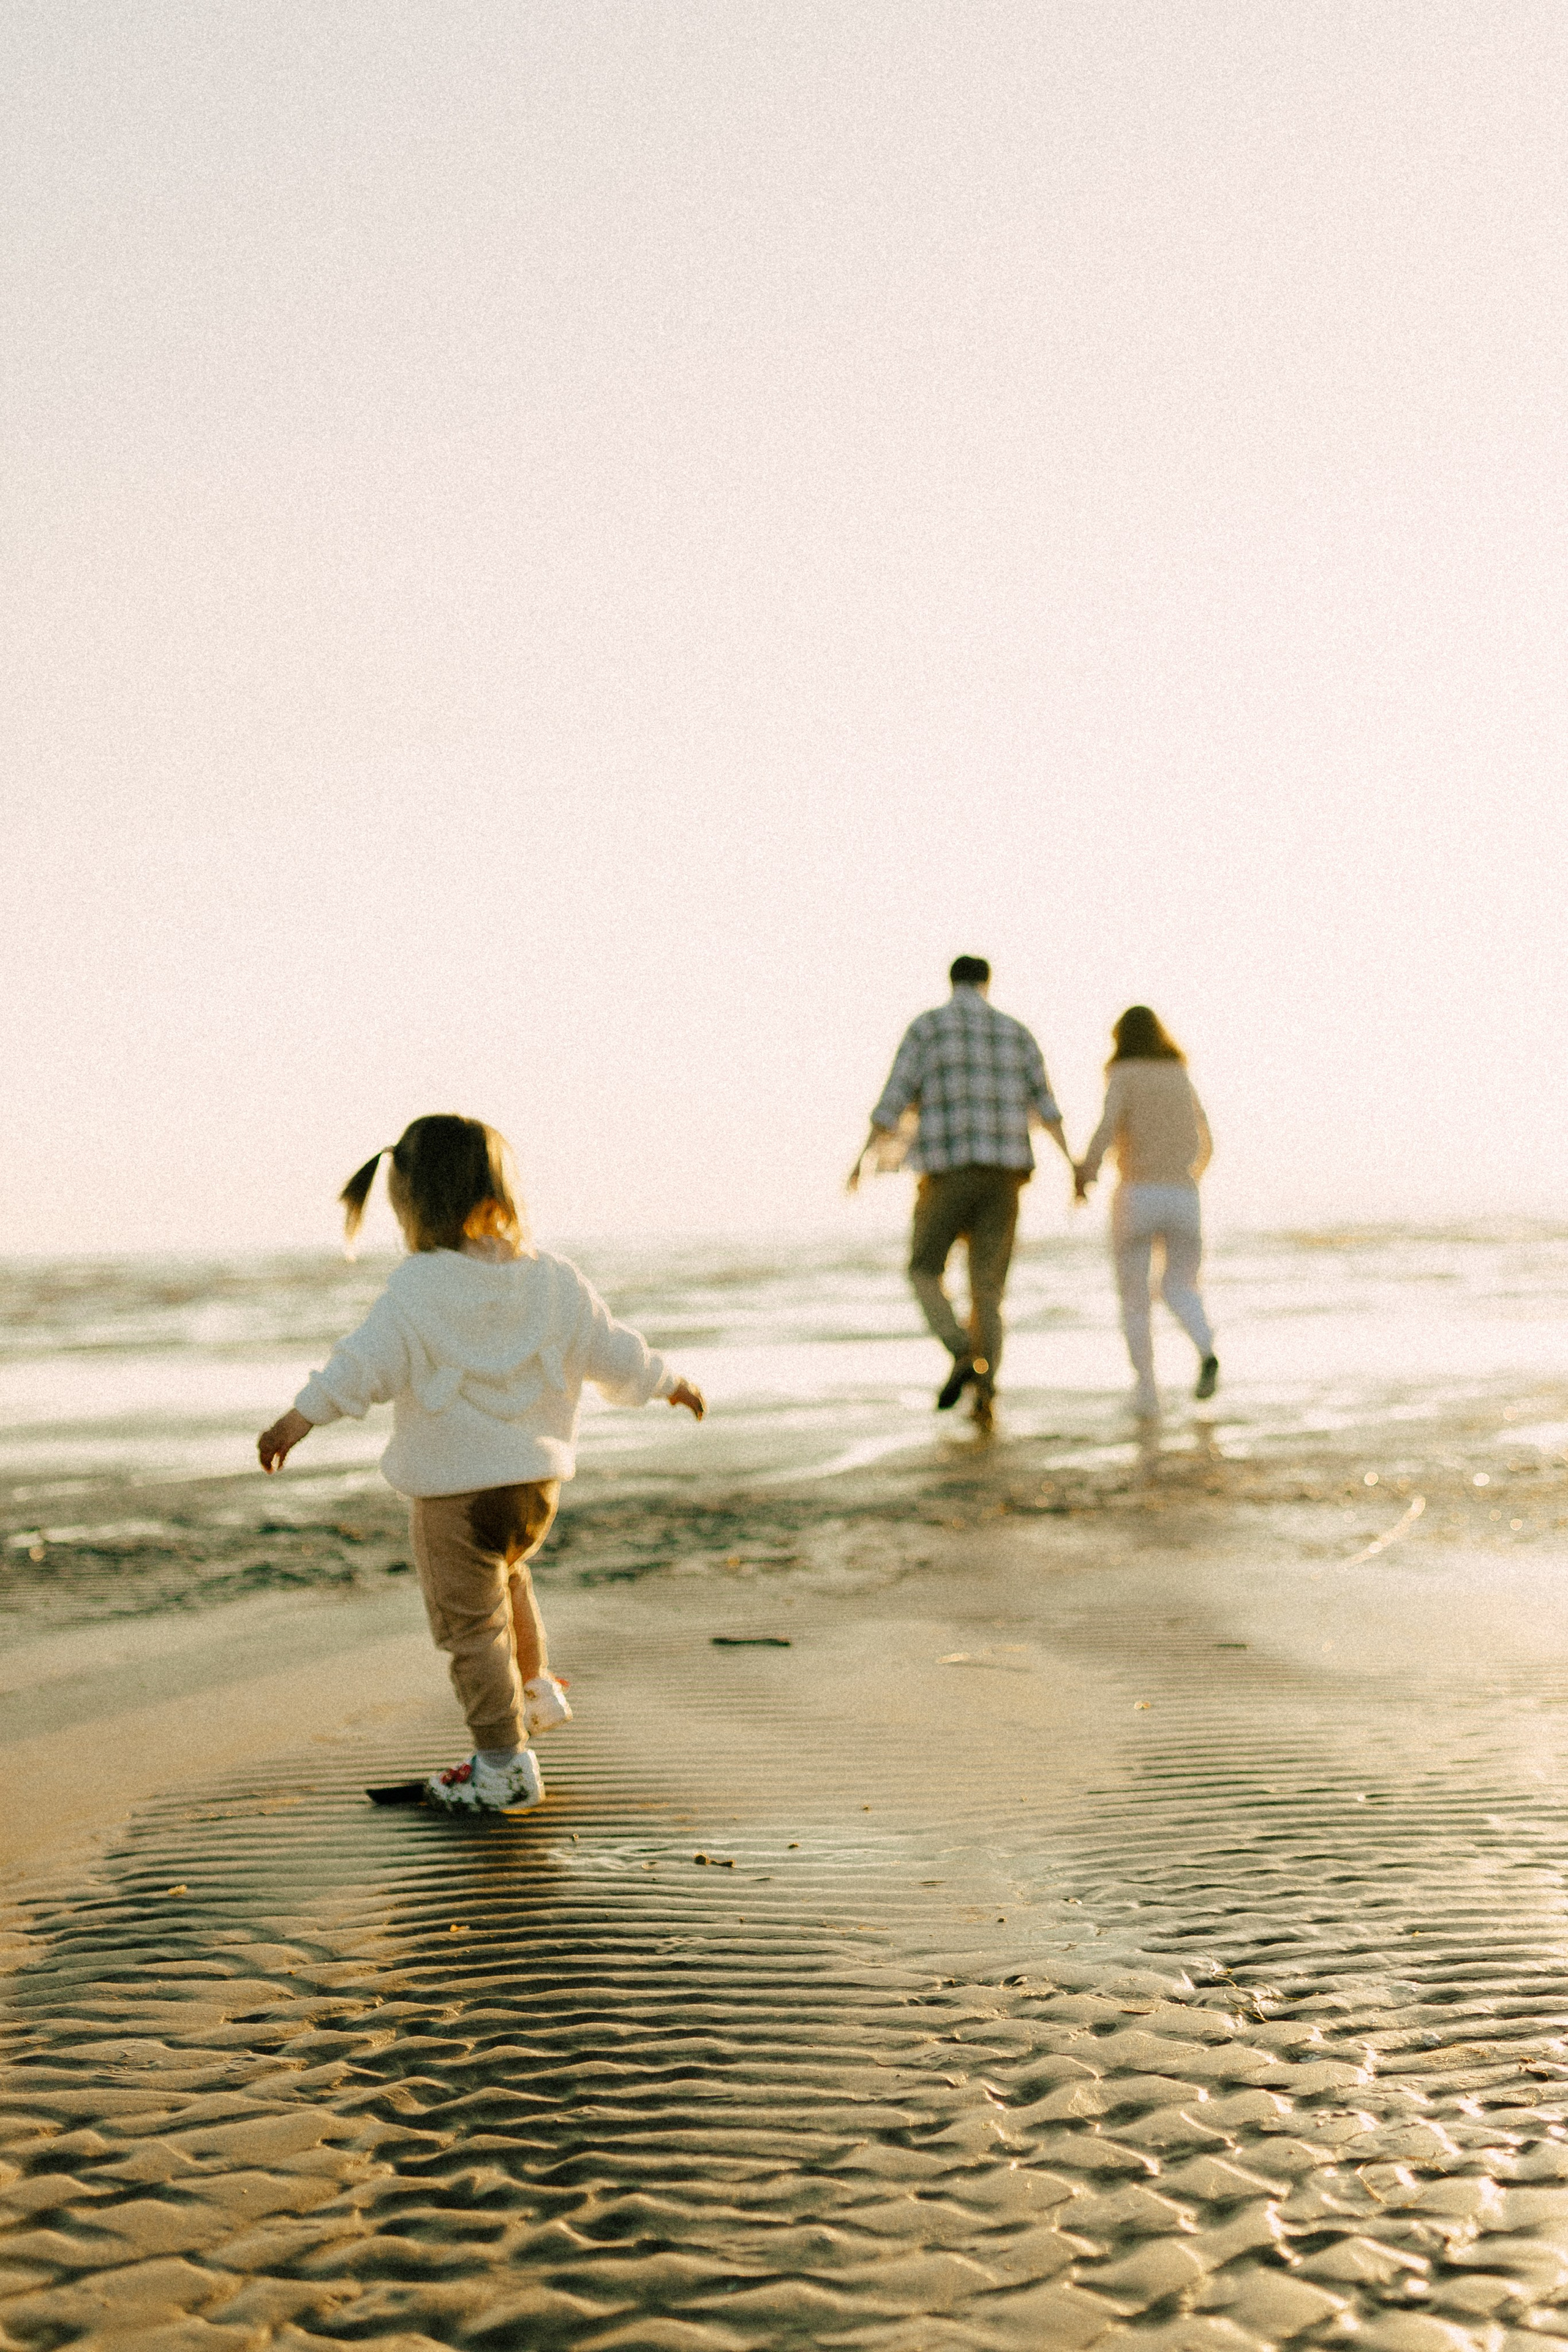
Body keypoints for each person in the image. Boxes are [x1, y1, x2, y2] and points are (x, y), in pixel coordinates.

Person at [257, 1115, 704, 1815]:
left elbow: (364, 1363)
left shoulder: (417, 1286)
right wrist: (669, 1382)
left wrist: (299, 1417)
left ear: (411, 1204)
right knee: (509, 1577)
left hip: (453, 1498)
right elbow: (613, 1348)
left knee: (470, 1632)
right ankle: (535, 1689)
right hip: (534, 1491)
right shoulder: (555, 1278)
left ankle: (502, 1764)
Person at [848, 956, 1074, 1425]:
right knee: (988, 1290)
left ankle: (961, 1351)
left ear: (951, 981)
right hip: (1006, 1176)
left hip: (947, 1174)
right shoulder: (1016, 1033)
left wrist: (861, 1161)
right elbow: (1048, 1108)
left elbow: (893, 1099)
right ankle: (987, 1391)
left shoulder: (928, 1029)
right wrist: (1072, 1165)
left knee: (924, 1269)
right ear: (987, 983)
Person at [1074, 1006, 1218, 1417]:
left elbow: (1108, 1125)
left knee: (1135, 1299)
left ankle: (1148, 1392)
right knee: (1180, 1286)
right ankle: (1206, 1346)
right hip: (1184, 1194)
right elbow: (1206, 1134)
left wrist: (1086, 1174)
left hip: (1137, 1193)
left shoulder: (1123, 1072)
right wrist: (1194, 1174)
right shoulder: (1178, 1072)